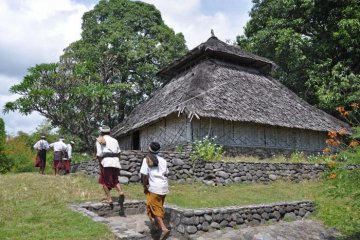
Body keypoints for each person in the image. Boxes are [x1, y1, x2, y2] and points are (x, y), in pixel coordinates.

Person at [140, 142, 170, 240]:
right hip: (164, 187)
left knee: (154, 208)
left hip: (155, 188)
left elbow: (144, 175)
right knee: (158, 206)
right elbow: (166, 173)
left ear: (149, 149)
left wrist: (145, 186)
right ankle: (156, 226)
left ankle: (163, 228)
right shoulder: (163, 160)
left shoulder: (146, 159)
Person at [96, 125, 125, 208]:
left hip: (107, 162)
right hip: (115, 161)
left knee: (104, 181)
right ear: (109, 132)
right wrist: (118, 162)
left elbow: (98, 154)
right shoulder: (115, 140)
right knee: (115, 180)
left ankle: (109, 198)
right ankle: (120, 192)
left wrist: (100, 163)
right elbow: (119, 153)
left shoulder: (99, 140)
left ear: (101, 132)